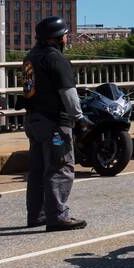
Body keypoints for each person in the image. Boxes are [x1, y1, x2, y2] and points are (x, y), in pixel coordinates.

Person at [22, 16, 84, 231]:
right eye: (65, 35)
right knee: (60, 167)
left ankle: (37, 214)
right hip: (54, 121)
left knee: (38, 169)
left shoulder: (31, 56)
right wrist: (79, 117)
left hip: (33, 119)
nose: (67, 38)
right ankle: (58, 216)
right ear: (57, 38)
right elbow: (67, 92)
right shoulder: (55, 58)